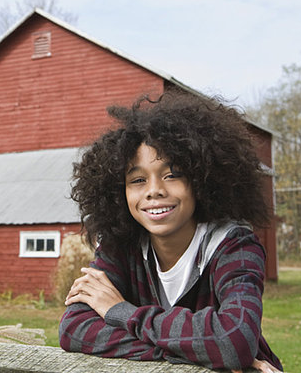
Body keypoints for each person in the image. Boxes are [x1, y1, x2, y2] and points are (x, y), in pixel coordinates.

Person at [59, 91, 283, 372]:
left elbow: (233, 340)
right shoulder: (121, 245)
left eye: (172, 174)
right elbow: (74, 330)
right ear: (119, 192)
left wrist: (120, 312)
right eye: (138, 180)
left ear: (201, 179)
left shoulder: (235, 246)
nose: (154, 191)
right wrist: (198, 352)